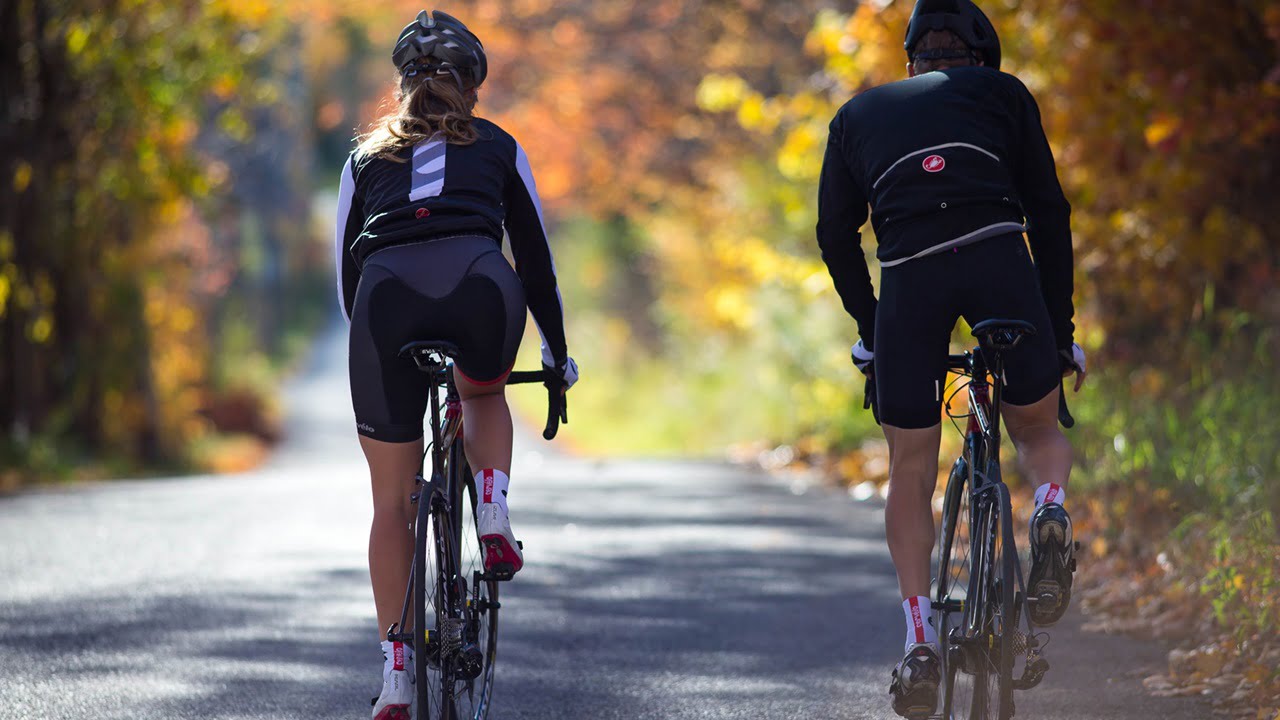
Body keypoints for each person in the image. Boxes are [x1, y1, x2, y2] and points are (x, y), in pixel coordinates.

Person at [814, 1, 1087, 716]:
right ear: (982, 57)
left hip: (910, 273)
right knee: (1036, 425)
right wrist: (1057, 332)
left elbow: (834, 234)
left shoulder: (857, 113)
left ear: (910, 60)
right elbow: (1049, 211)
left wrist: (875, 328)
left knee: (910, 463)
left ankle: (917, 644)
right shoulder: (1004, 95)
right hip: (999, 255)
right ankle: (1052, 513)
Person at [334, 10, 578, 719]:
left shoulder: (363, 156)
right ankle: (494, 508)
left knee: (391, 504)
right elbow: (536, 262)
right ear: (473, 86)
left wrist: (378, 359)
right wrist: (556, 353)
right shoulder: (499, 145)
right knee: (482, 392)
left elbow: (345, 278)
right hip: (478, 284)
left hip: (385, 302)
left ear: (400, 83)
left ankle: (398, 671)